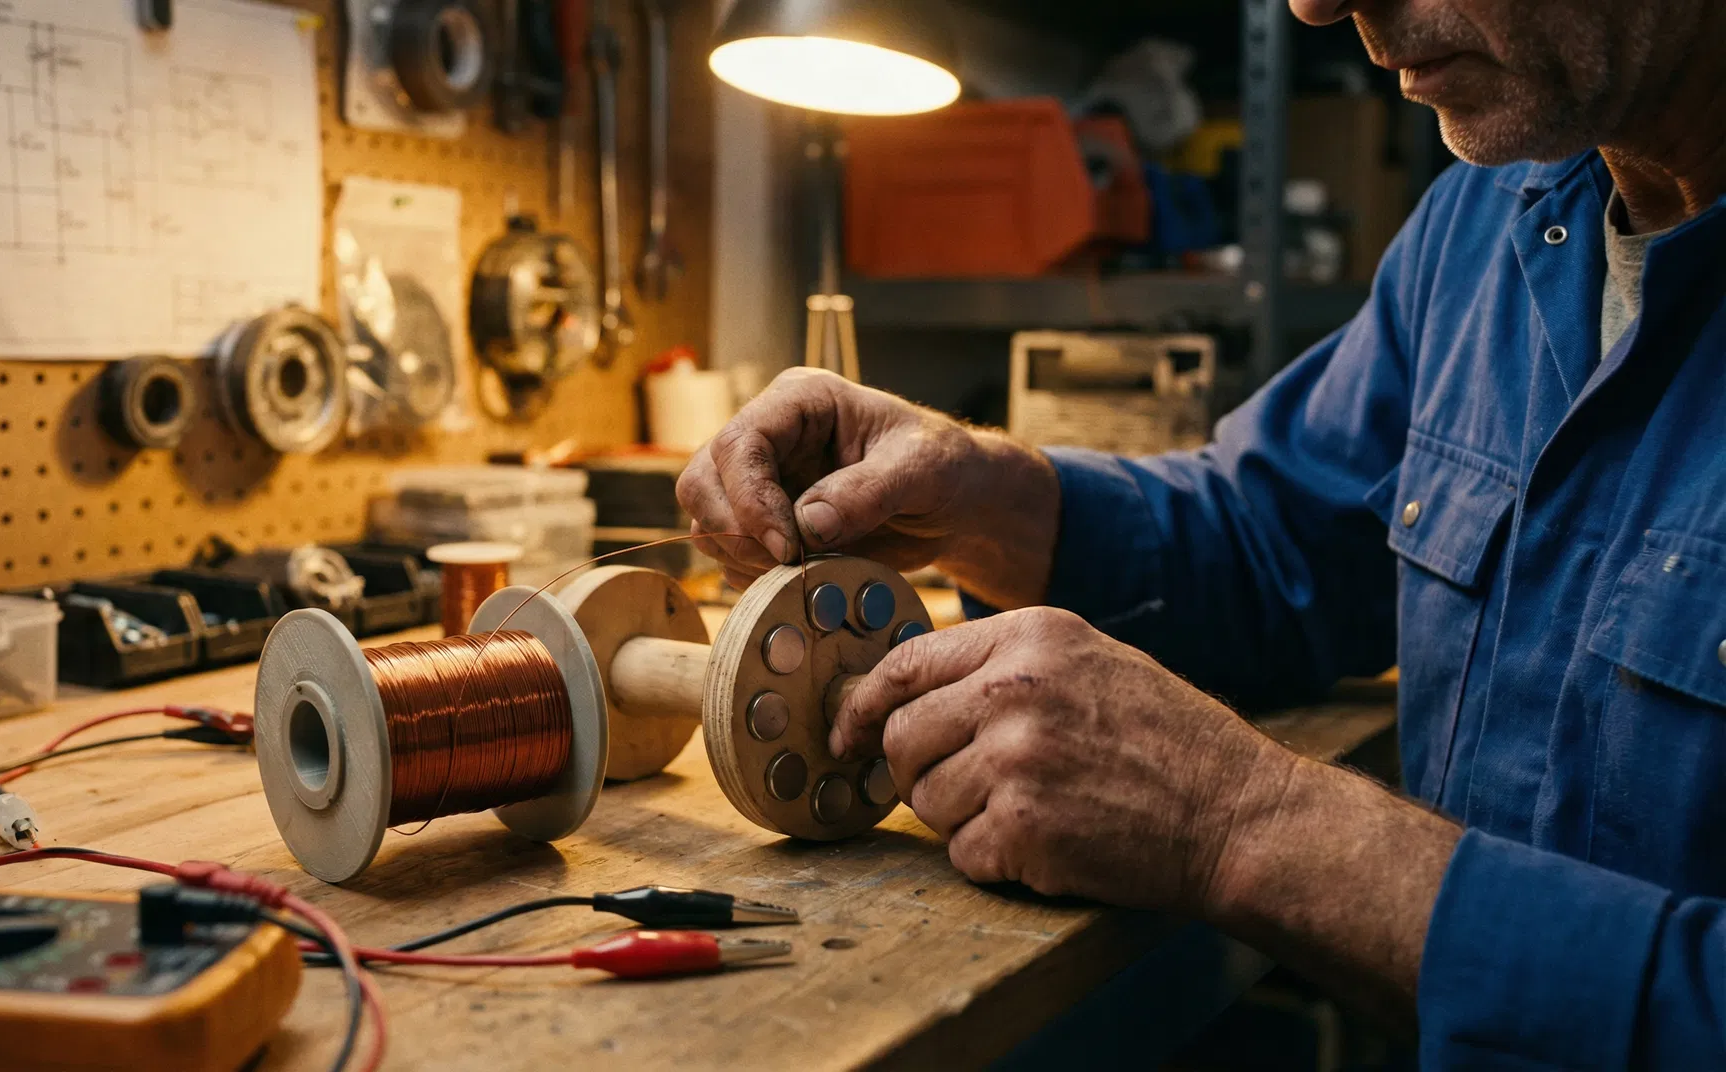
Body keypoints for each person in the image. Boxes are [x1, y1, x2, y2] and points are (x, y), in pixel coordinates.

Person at [676, 0, 1726, 1065]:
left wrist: (1248, 824)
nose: (1317, 4)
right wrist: (980, 496)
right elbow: (1279, 541)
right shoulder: (1486, 226)